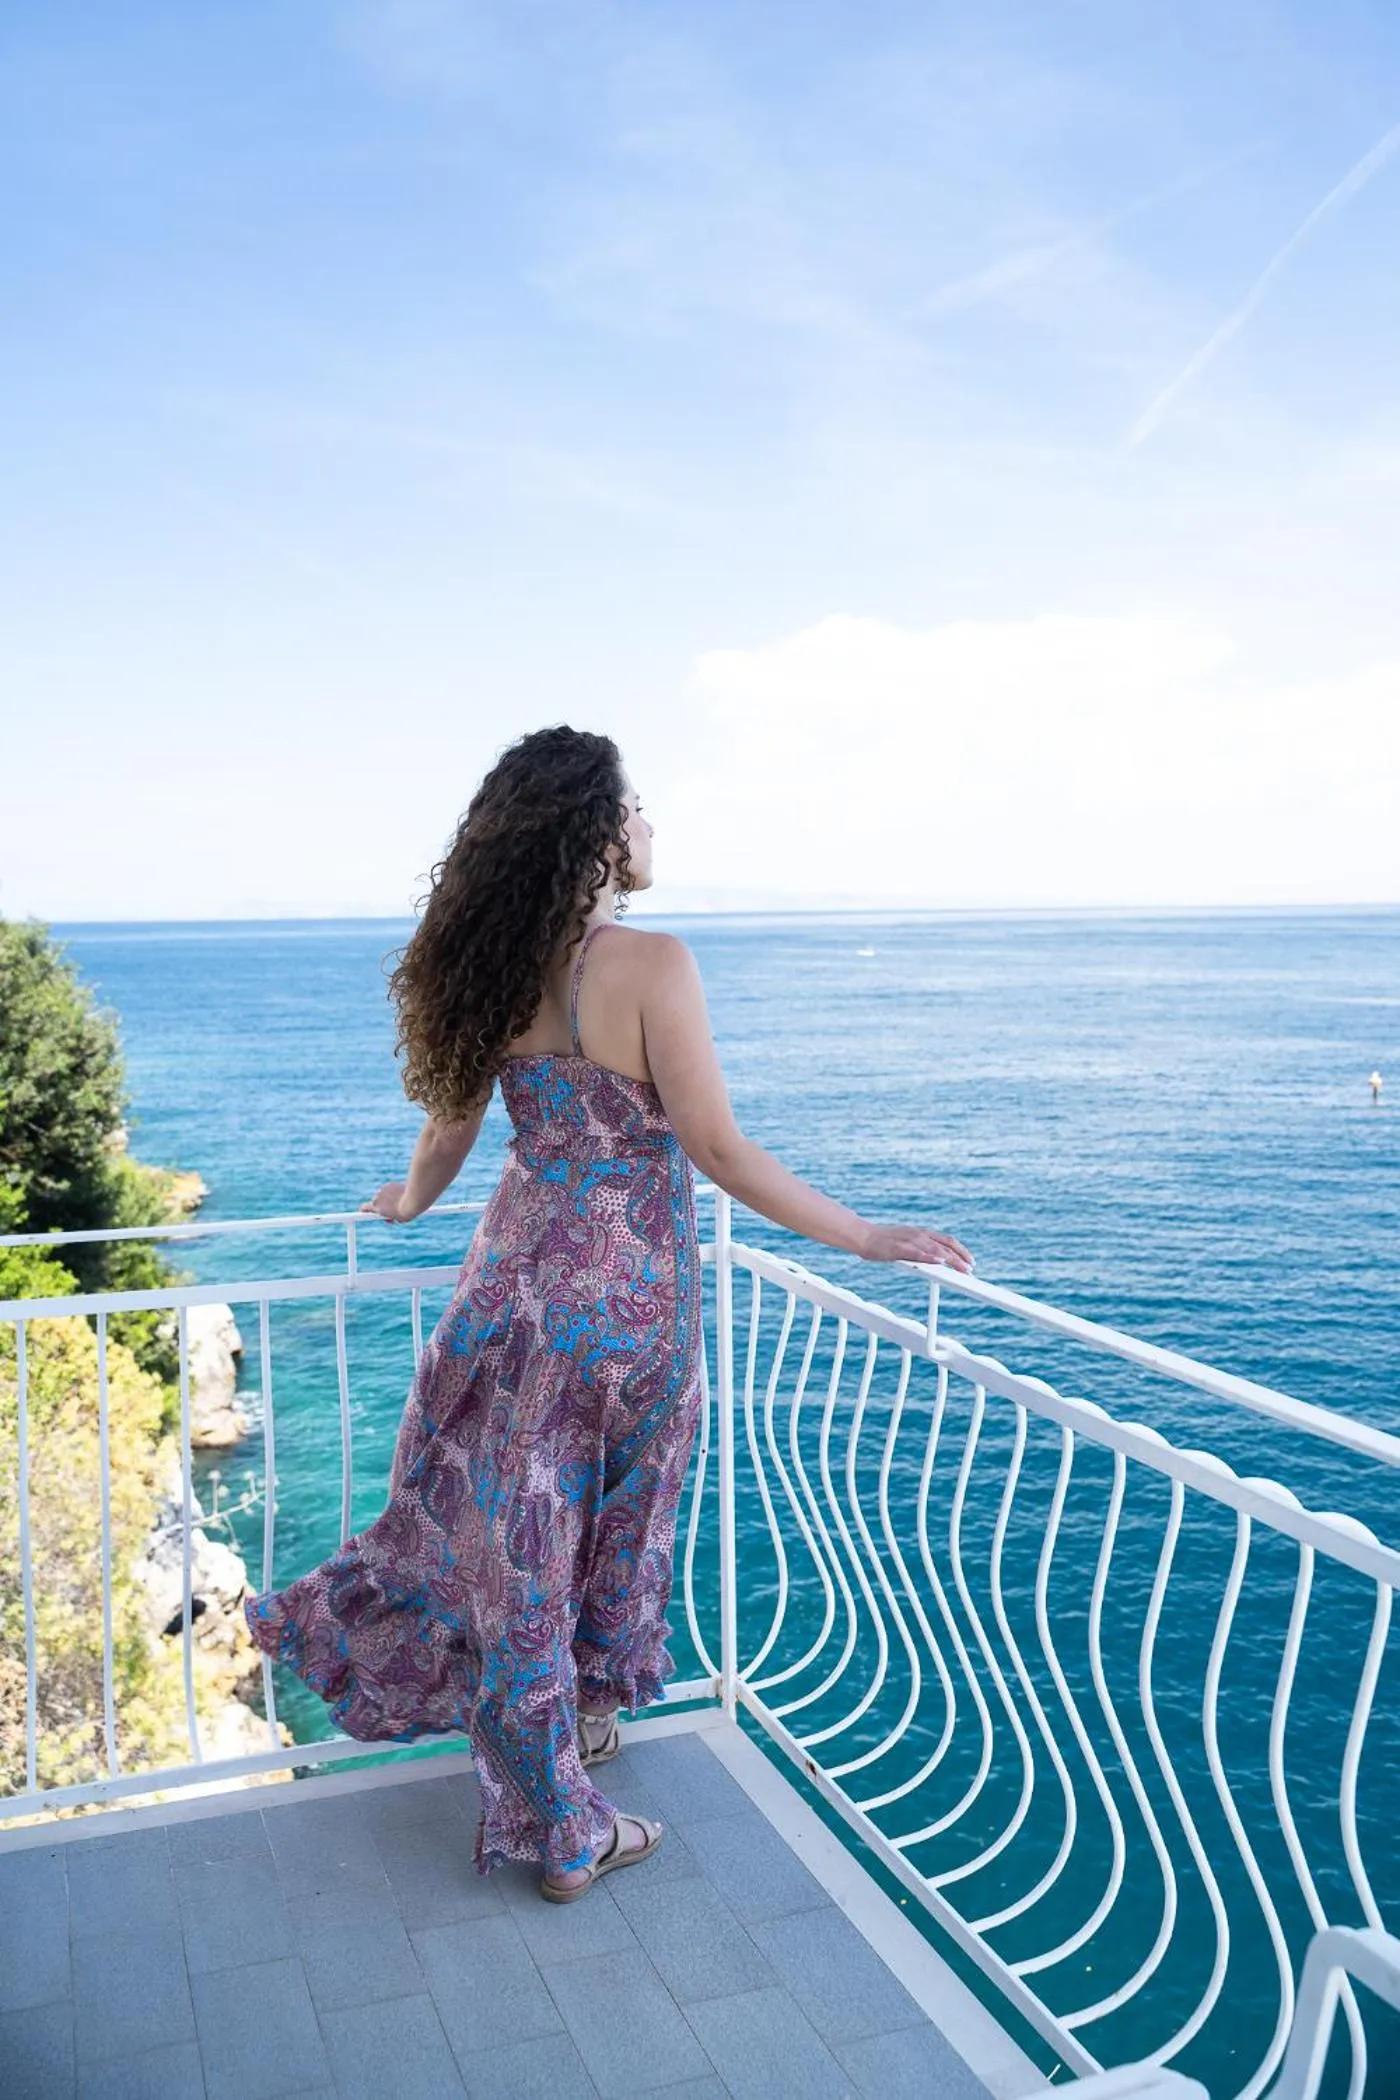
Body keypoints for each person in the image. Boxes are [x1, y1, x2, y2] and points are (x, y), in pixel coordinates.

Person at [243, 724, 973, 1902]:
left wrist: (408, 1201)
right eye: (635, 808)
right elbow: (719, 1150)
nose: (649, 827)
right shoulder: (651, 964)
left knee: (518, 1541)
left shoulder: (489, 960)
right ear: (594, 830)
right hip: (631, 1303)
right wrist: (867, 1235)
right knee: (618, 1523)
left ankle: (560, 1761)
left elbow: (452, 1130)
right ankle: (565, 1818)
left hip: (512, 1290)